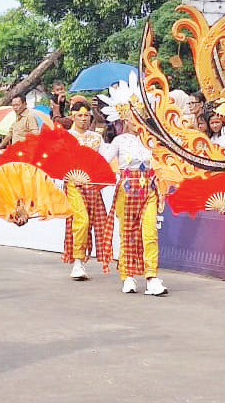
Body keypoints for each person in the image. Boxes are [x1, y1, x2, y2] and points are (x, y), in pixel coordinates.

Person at [99, 84, 168, 297]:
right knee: (128, 233)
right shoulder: (119, 141)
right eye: (132, 117)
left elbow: (163, 165)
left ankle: (151, 277)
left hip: (148, 189)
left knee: (150, 233)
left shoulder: (153, 141)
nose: (136, 121)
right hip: (127, 191)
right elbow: (103, 162)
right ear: (125, 119)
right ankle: (128, 275)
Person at [62, 98, 112, 281]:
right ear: (73, 116)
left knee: (95, 223)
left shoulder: (96, 138)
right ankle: (77, 261)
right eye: (80, 115)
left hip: (92, 185)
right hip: (73, 185)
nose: (83, 119)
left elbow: (104, 161)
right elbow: (61, 163)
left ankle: (86, 260)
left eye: (86, 116)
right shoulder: (66, 137)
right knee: (81, 221)